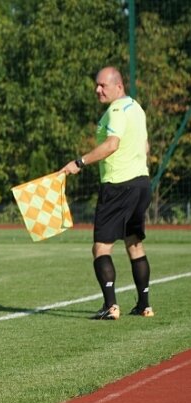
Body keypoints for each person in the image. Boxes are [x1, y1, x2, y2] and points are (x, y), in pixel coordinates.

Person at [61, 66, 153, 320]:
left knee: (101, 248)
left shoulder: (114, 111)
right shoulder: (136, 108)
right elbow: (145, 146)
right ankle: (144, 305)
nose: (97, 89)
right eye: (97, 85)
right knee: (134, 244)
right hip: (141, 183)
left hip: (118, 185)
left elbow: (112, 145)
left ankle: (110, 306)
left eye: (103, 85)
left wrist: (79, 162)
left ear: (119, 85)